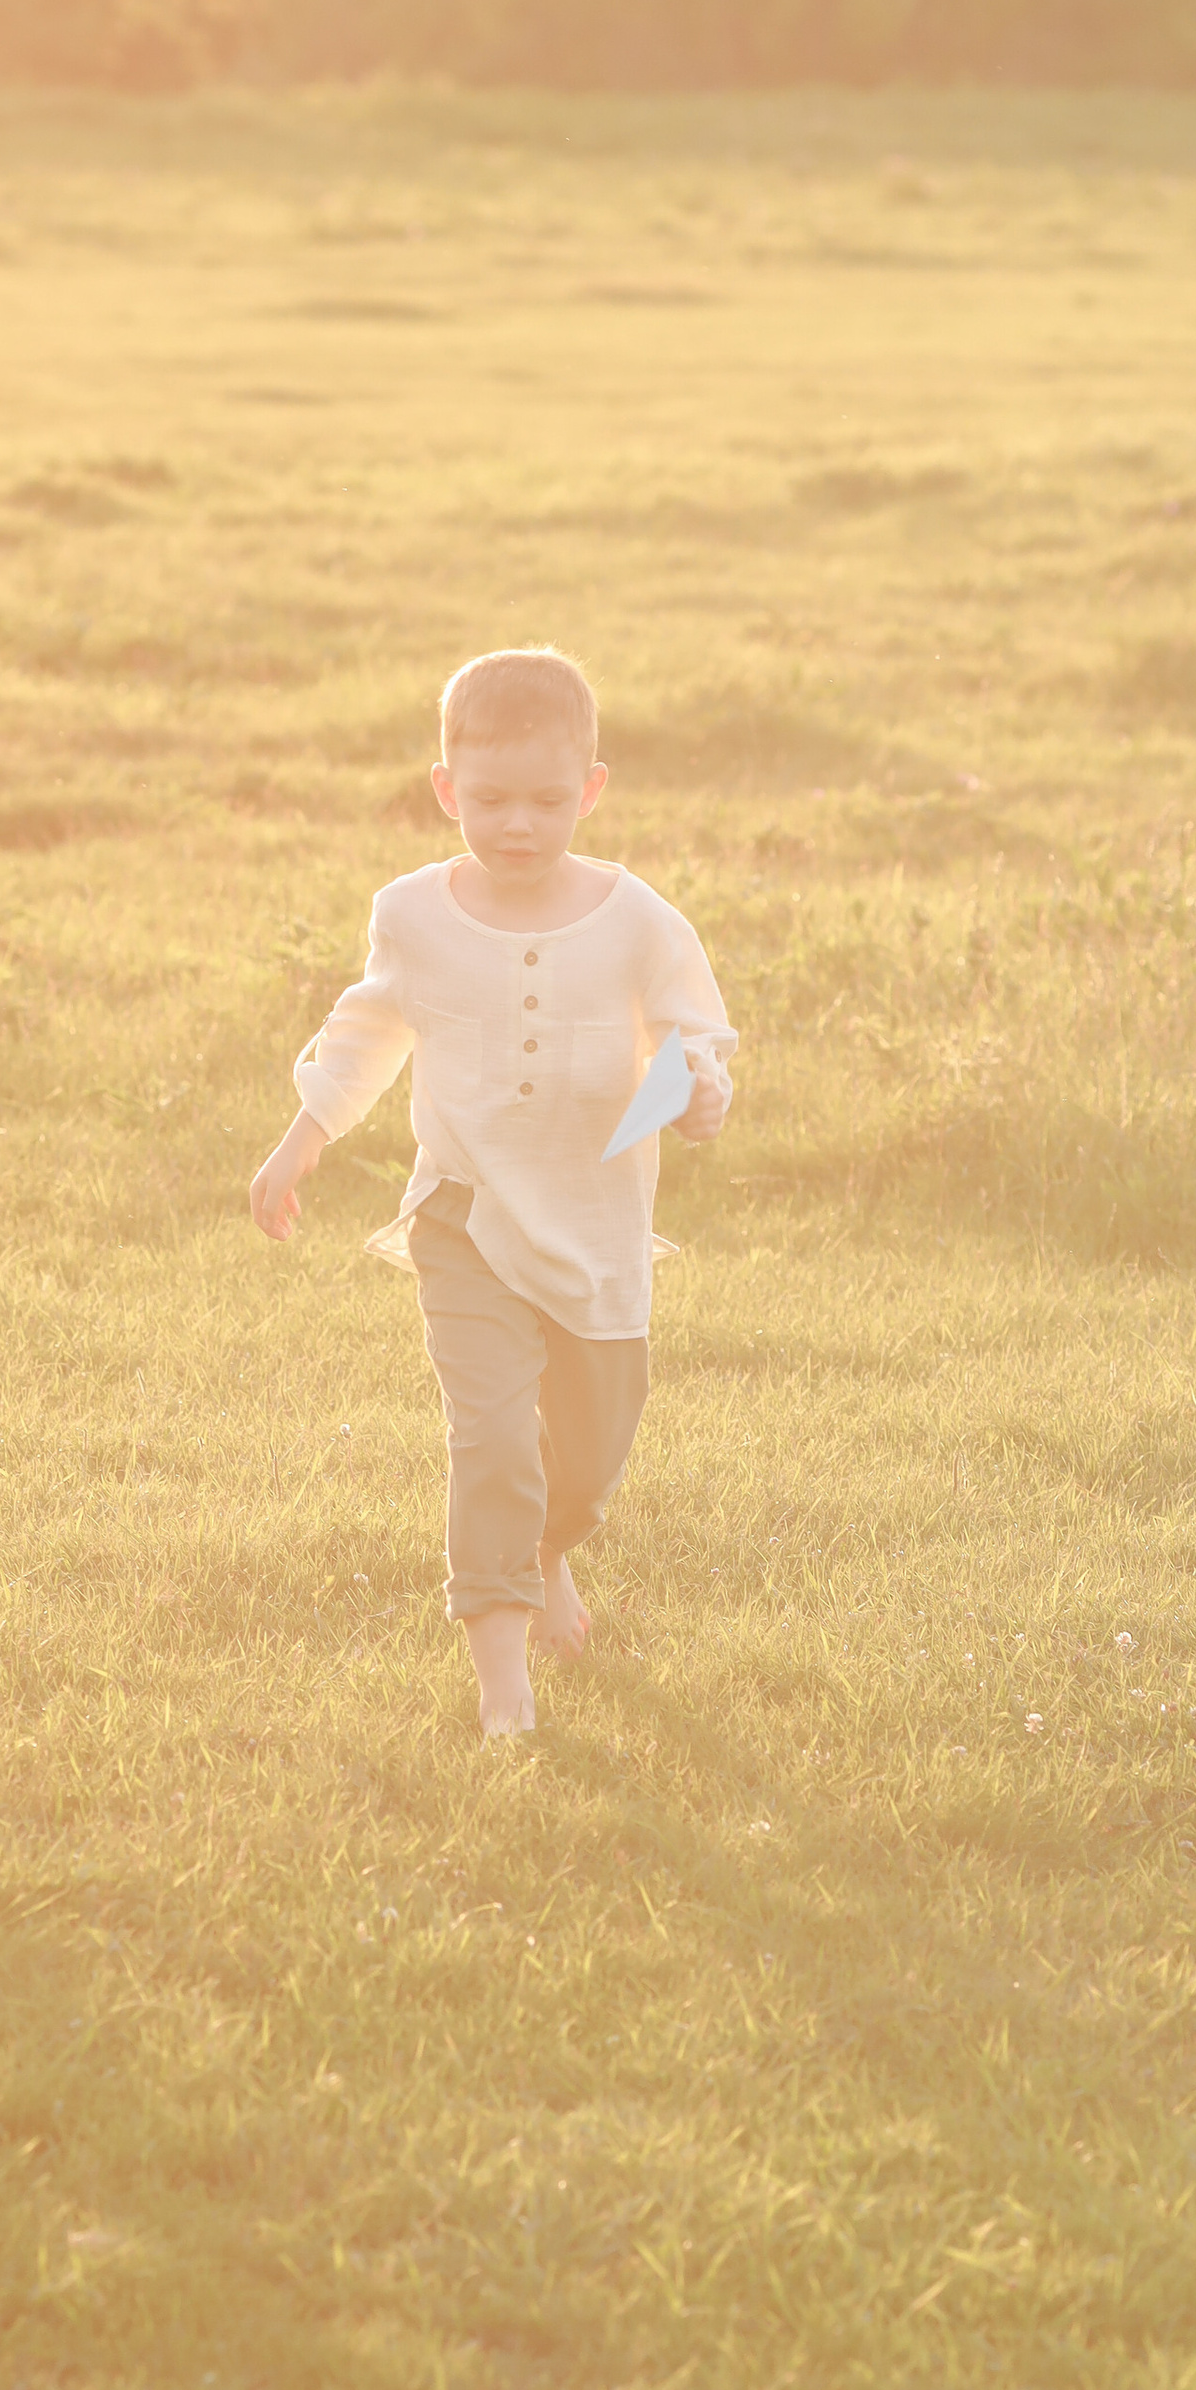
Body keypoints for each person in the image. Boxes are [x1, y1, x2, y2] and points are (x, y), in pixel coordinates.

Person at [249, 646, 735, 1738]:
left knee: (589, 1458)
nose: (517, 825)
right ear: (444, 790)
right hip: (462, 1215)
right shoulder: (414, 914)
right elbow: (365, 1031)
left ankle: (546, 1550)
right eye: (490, 801)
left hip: (598, 1229)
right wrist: (302, 1139)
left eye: (547, 802)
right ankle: (501, 1679)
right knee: (493, 1438)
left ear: (592, 790)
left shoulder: (636, 918)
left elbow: (698, 1035)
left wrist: (703, 1091)